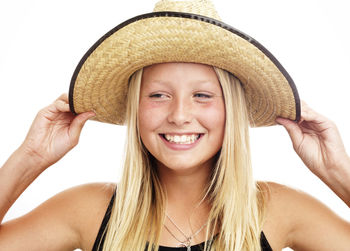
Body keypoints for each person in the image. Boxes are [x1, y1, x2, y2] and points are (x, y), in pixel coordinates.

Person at [1, 0, 350, 250]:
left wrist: (337, 170)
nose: (180, 115)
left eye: (202, 95)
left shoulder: (275, 209)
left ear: (232, 110)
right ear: (135, 110)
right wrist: (30, 157)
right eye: (157, 96)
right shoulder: (88, 209)